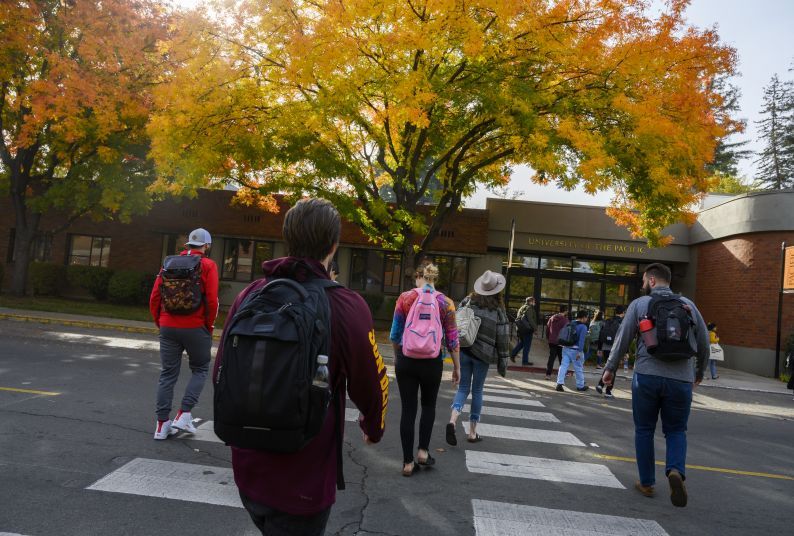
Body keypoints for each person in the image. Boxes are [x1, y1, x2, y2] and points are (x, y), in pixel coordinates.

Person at [213, 198, 388, 535]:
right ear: (334, 245)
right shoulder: (345, 304)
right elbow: (370, 380)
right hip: (304, 475)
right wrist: (373, 426)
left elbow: (223, 369)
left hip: (248, 468)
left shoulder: (250, 294)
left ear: (287, 238)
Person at [601, 263, 709, 508]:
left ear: (651, 280)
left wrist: (610, 369)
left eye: (642, 281)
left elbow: (623, 338)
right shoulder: (689, 305)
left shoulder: (639, 305)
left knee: (644, 429)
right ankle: (675, 471)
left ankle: (647, 483)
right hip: (681, 378)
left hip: (647, 375)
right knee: (676, 430)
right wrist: (699, 372)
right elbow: (703, 341)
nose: (641, 285)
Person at [390, 263, 460, 477]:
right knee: (428, 406)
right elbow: (452, 339)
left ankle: (407, 462)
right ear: (435, 279)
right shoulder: (446, 303)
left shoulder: (405, 298)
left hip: (407, 360)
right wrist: (457, 367)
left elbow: (395, 333)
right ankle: (422, 451)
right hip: (432, 361)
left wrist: (397, 356)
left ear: (418, 276)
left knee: (408, 410)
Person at [149, 228, 219, 440]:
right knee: (200, 369)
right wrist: (208, 325)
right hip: (195, 326)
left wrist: (160, 323)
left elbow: (154, 297)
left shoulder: (168, 263)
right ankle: (184, 414)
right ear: (206, 246)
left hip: (168, 325)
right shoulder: (208, 265)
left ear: (188, 244)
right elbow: (212, 300)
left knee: (167, 375)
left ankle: (161, 426)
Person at [447, 270, 510, 445]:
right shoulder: (498, 310)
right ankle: (472, 432)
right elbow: (503, 338)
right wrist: (503, 363)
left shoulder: (468, 301)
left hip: (465, 349)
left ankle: (452, 421)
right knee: (477, 391)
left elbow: (456, 322)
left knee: (462, 389)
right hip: (483, 355)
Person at [555, 310, 590, 392]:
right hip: (576, 350)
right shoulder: (583, 327)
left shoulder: (570, 323)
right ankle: (580, 386)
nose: (587, 319)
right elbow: (581, 341)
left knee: (563, 366)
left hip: (566, 348)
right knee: (578, 368)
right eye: (586, 317)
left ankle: (559, 383)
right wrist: (580, 352)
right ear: (584, 317)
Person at [596, 305, 626, 399]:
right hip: (615, 349)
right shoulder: (622, 322)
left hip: (605, 348)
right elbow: (624, 338)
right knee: (612, 371)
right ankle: (608, 391)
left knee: (608, 367)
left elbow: (601, 335)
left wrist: (599, 349)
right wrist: (626, 352)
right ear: (622, 313)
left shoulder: (607, 321)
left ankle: (600, 384)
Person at [510, 297, 537, 366]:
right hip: (527, 330)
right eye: (534, 301)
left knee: (522, 343)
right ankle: (525, 361)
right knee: (527, 346)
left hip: (520, 329)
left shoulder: (522, 308)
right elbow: (530, 319)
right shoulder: (529, 308)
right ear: (530, 301)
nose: (534, 303)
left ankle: (513, 354)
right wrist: (535, 328)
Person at [545, 304, 569, 380]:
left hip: (552, 340)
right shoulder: (565, 320)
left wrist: (548, 338)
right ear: (565, 311)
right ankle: (563, 374)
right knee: (562, 359)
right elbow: (567, 332)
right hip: (561, 342)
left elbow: (548, 328)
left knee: (551, 358)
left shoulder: (552, 318)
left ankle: (548, 374)